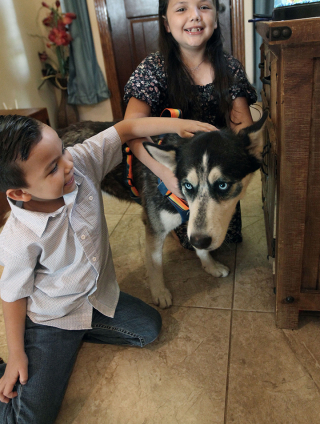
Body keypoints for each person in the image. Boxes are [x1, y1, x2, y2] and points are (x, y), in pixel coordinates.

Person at [0, 113, 214, 423]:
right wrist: (17, 354)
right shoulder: (19, 238)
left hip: (97, 298)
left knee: (148, 329)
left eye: (62, 151)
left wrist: (175, 126)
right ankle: (55, 346)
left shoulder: (80, 162)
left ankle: (78, 336)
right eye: (52, 168)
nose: (67, 163)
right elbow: (12, 295)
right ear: (20, 193)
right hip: (52, 319)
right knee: (27, 420)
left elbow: (127, 128)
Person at [124, 0, 257, 249]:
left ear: (216, 19)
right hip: (172, 170)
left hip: (215, 172)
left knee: (228, 241)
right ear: (167, 24)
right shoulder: (153, 69)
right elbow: (130, 130)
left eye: (204, 7)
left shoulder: (229, 67)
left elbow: (242, 129)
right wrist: (164, 174)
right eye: (182, 8)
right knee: (189, 240)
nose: (195, 16)